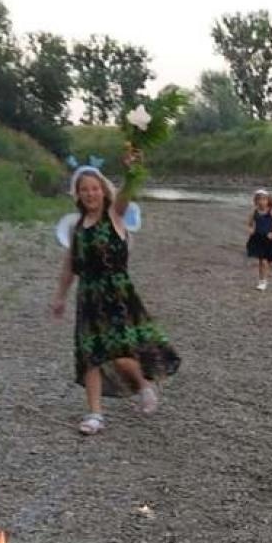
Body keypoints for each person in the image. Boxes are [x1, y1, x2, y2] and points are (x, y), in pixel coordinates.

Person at [50, 164, 180, 434]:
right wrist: (60, 297)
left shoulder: (114, 215)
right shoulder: (77, 228)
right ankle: (95, 415)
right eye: (84, 190)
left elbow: (126, 194)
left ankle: (144, 386)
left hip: (118, 294)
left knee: (119, 352)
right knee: (90, 355)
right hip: (88, 296)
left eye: (94, 188)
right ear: (77, 194)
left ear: (103, 191)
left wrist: (132, 171)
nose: (90, 194)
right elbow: (68, 267)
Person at [245, 189, 272, 289]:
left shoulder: (271, 212)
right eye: (259, 199)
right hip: (258, 239)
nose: (261, 201)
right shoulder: (254, 212)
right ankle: (262, 282)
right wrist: (250, 230)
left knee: (271, 259)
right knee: (263, 261)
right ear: (255, 201)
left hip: (271, 239)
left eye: (264, 199)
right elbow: (249, 224)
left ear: (268, 200)